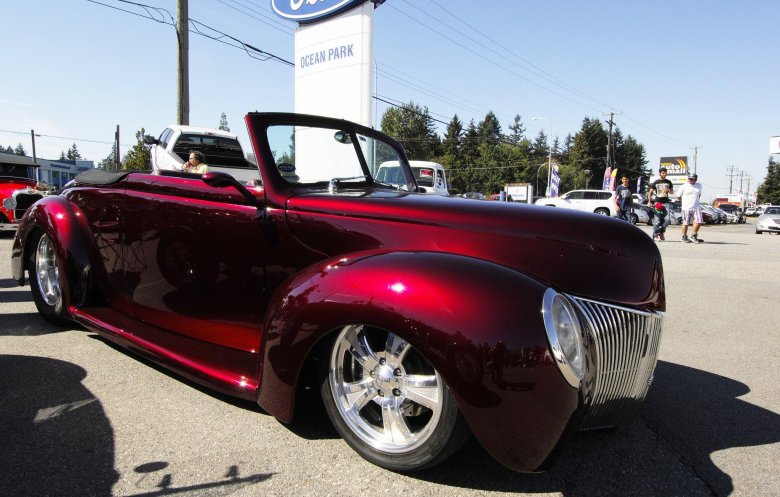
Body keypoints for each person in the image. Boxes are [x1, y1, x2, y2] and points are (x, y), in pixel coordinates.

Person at [647, 166, 674, 240]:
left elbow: (672, 192)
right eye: (663, 173)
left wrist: (669, 190)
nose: (665, 174)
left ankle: (661, 231)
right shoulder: (656, 182)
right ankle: (655, 234)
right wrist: (649, 202)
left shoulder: (668, 182)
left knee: (667, 219)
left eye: (665, 173)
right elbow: (650, 192)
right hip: (658, 202)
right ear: (660, 173)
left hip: (666, 203)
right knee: (657, 219)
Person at [677, 173, 704, 243]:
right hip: (686, 207)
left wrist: (696, 201)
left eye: (692, 179)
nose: (690, 180)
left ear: (695, 180)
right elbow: (678, 196)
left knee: (699, 221)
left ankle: (693, 235)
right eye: (689, 179)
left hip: (696, 206)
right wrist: (682, 202)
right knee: (685, 223)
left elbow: (699, 194)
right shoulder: (684, 186)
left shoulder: (699, 186)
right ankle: (684, 237)